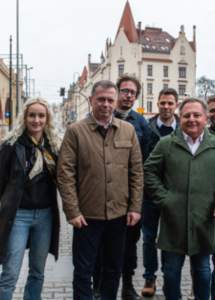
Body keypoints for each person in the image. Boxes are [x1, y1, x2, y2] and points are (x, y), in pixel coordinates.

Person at [144, 97, 215, 300]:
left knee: (203, 269)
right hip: (173, 220)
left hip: (204, 219)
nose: (192, 119)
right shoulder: (166, 143)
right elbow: (149, 172)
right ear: (180, 117)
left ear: (206, 118)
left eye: (197, 115)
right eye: (187, 115)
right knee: (171, 269)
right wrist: (165, 199)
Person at [58, 80, 144, 300]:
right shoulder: (75, 132)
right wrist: (72, 211)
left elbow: (136, 172)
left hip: (119, 216)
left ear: (115, 102)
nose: (106, 104)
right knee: (83, 271)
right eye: (101, 99)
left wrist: (135, 207)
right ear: (91, 101)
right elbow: (65, 175)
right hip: (86, 217)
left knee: (113, 268)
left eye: (110, 100)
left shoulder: (128, 130)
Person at [0, 97, 60, 300]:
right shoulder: (11, 145)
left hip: (45, 216)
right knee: (10, 274)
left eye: (41, 116)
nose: (36, 120)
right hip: (18, 216)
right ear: (25, 117)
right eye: (32, 115)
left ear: (47, 119)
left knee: (37, 272)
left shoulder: (52, 147)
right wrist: (12, 202)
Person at [90, 74, 149, 300]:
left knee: (129, 246)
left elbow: (145, 159)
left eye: (132, 92)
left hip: (129, 198)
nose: (128, 95)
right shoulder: (103, 115)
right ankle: (98, 286)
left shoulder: (140, 122)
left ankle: (127, 285)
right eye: (124, 90)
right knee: (100, 247)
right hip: (102, 196)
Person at [141, 87, 181, 297]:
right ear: (157, 104)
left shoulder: (185, 128)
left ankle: (169, 277)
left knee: (168, 237)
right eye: (162, 103)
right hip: (148, 196)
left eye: (170, 103)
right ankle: (149, 276)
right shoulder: (146, 128)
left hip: (174, 196)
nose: (166, 107)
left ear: (176, 105)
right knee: (149, 238)